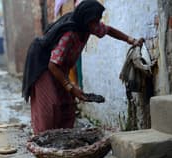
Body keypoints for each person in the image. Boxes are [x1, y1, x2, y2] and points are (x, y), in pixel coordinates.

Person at [23, 0, 144, 134]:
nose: (98, 25)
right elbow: (52, 65)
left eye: (98, 20)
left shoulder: (88, 26)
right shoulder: (69, 34)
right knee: (51, 104)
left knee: (67, 105)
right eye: (95, 21)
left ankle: (64, 139)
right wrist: (70, 86)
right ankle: (43, 139)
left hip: (58, 66)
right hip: (42, 64)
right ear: (86, 19)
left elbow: (109, 30)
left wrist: (131, 40)